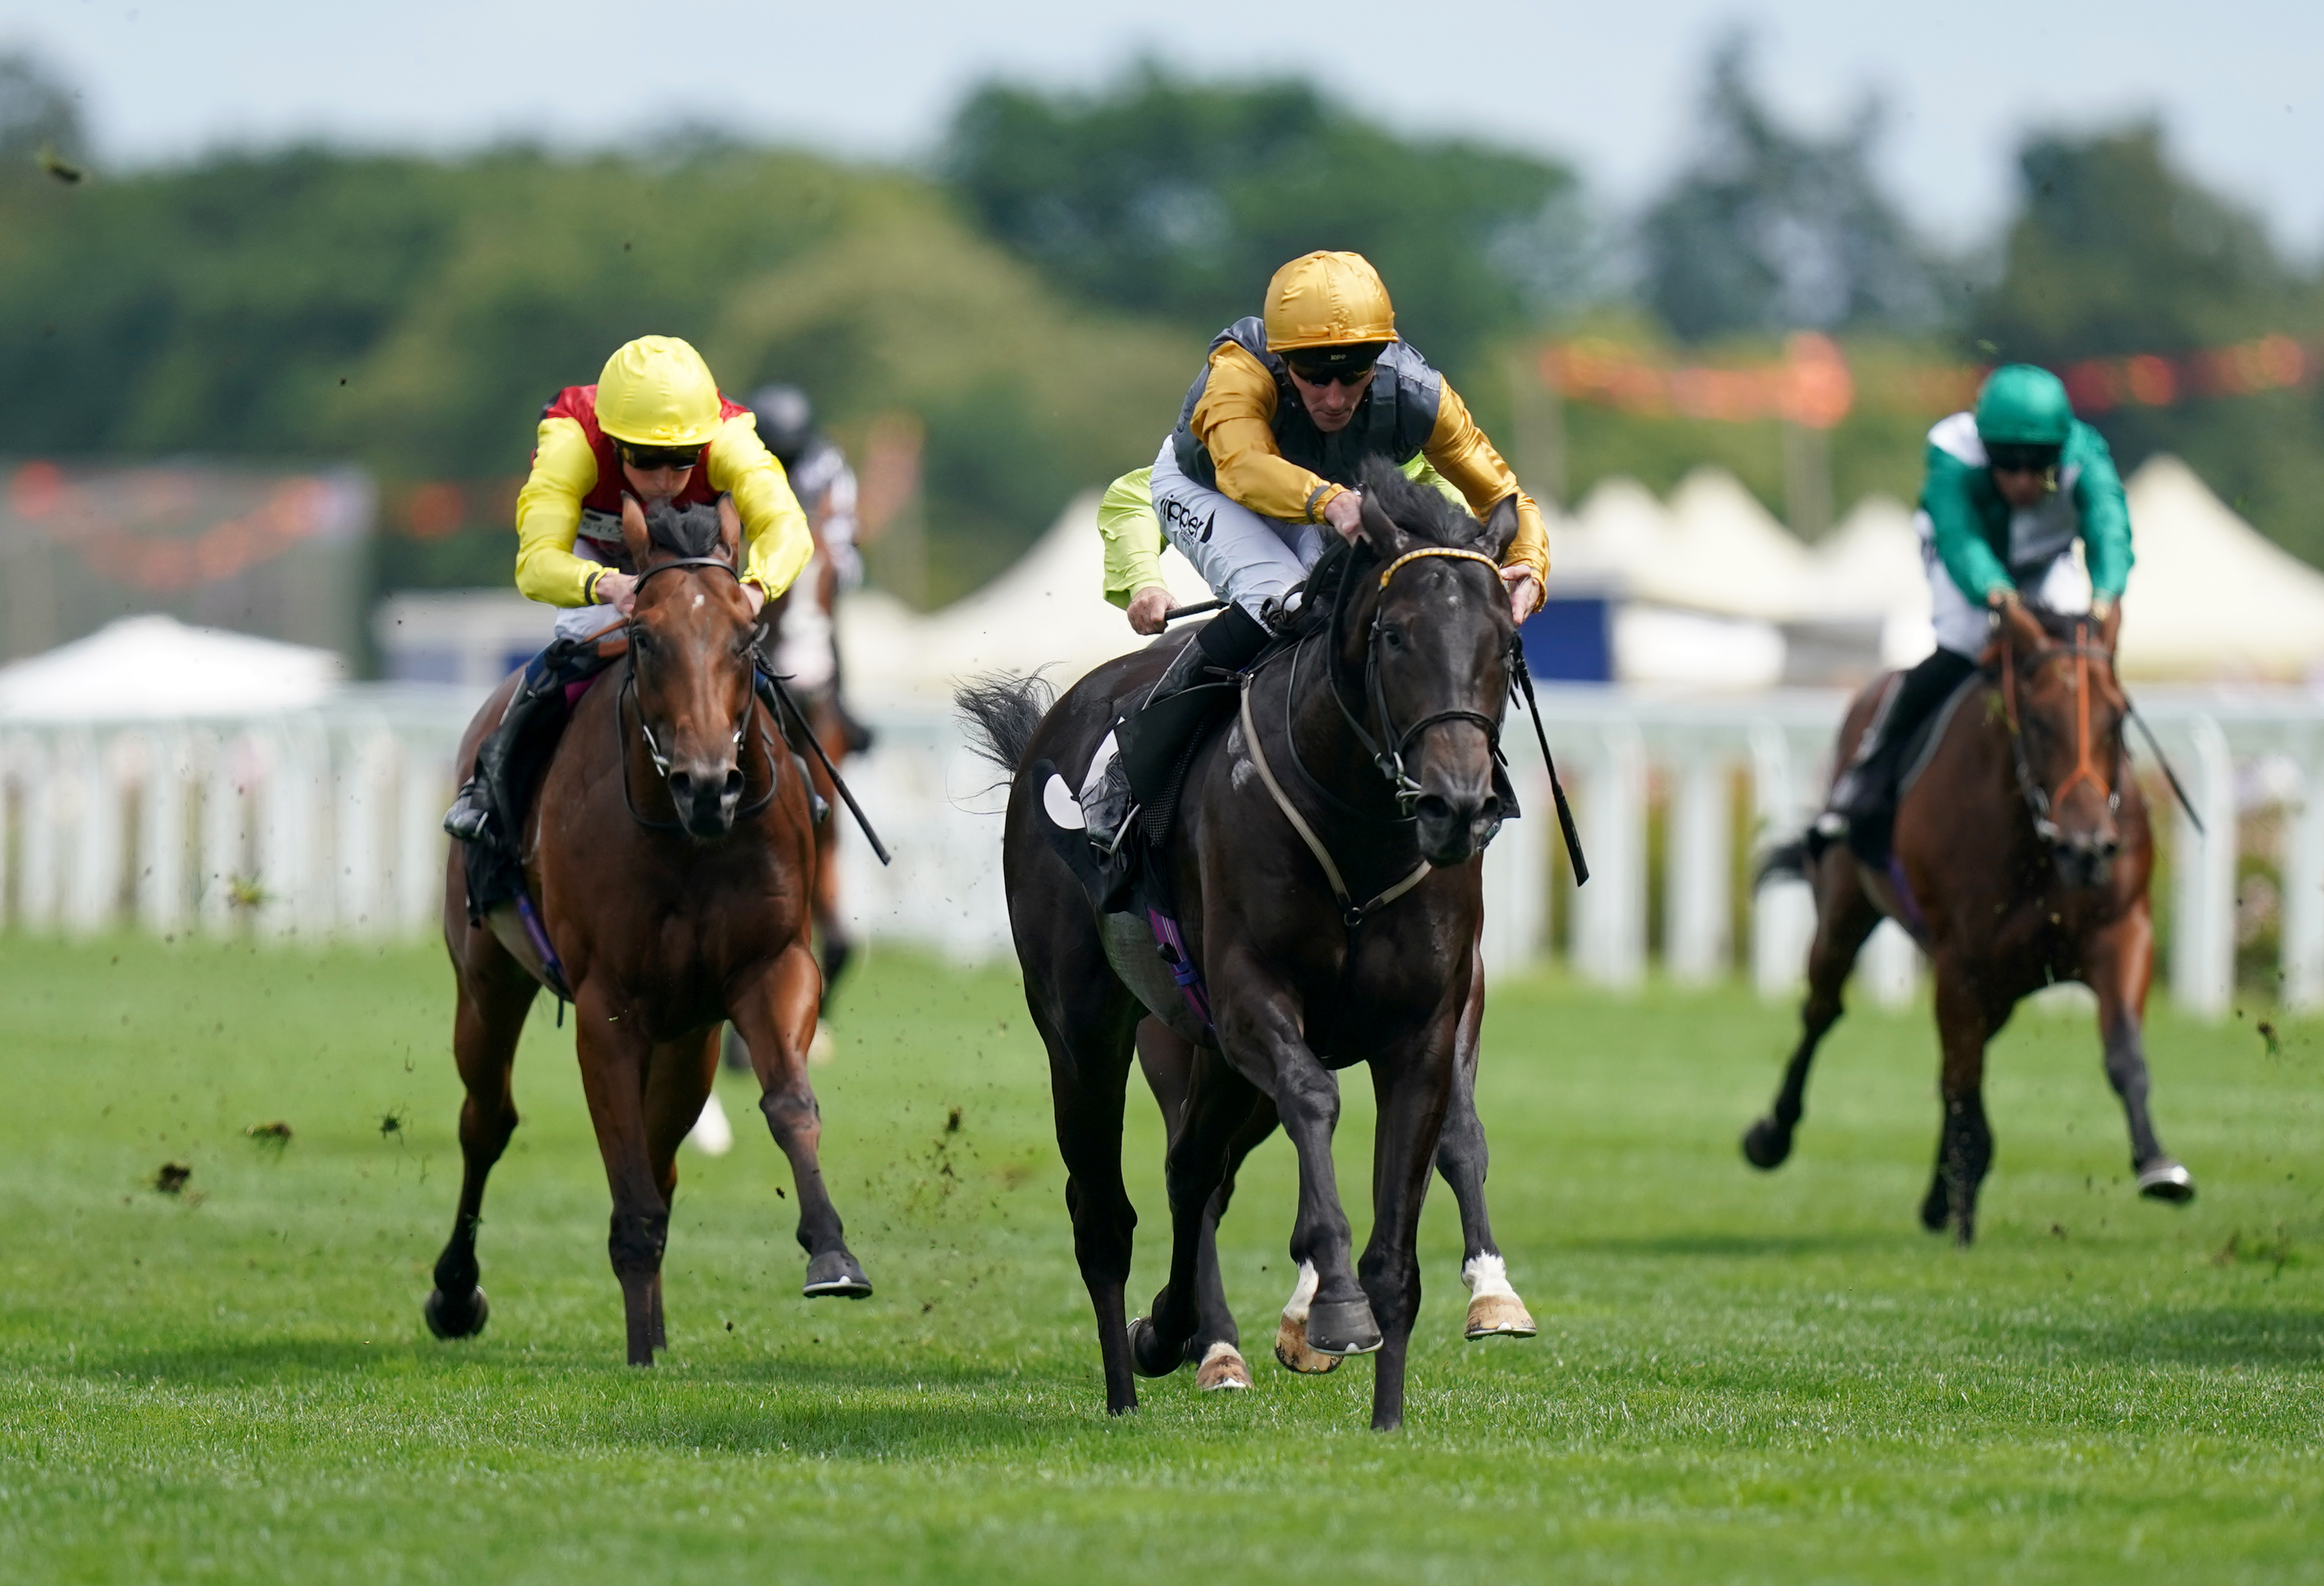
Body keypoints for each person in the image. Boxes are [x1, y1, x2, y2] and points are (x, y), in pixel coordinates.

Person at [1080, 250, 1552, 844]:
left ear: (1378, 358)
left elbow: (1507, 499)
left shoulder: (1418, 392)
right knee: (1284, 598)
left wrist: (1526, 568)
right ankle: (1128, 768)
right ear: (1280, 360)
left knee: (1366, 606)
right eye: (1311, 374)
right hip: (1212, 486)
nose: (1332, 396)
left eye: (1352, 373)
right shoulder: (1237, 372)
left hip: (1321, 496)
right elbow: (1244, 469)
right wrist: (1331, 504)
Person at [443, 336, 813, 904]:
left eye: (682, 460)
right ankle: (491, 795)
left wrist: (755, 590)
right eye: (644, 460)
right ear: (613, 442)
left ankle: (795, 785)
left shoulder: (730, 435)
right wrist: (605, 585)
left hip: (695, 561)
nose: (665, 479)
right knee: (578, 645)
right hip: (600, 565)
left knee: (728, 653)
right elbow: (536, 562)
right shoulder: (571, 438)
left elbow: (788, 528)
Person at [1823, 363, 2132, 865]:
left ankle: (2099, 783)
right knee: (1964, 645)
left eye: (2038, 466)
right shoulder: (1952, 451)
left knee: (2080, 660)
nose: (2023, 480)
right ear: (1986, 451)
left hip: (2046, 559)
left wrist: (2104, 598)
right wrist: (1999, 598)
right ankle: (1865, 775)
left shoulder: (2086, 454)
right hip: (1964, 557)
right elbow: (1961, 538)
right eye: (2007, 464)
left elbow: (2109, 529)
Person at [749, 384, 873, 752]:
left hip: (822, 556)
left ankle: (841, 704)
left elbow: (840, 535)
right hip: (757, 555)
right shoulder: (745, 459)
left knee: (819, 584)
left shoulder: (828, 467)